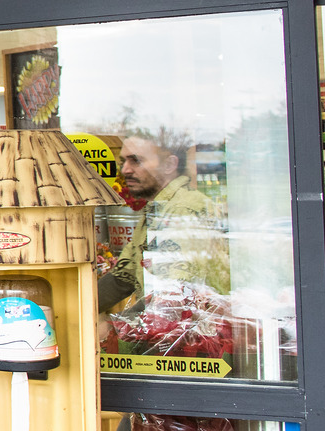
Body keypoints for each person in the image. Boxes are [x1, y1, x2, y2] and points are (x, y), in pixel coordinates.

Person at [97, 130, 228, 313]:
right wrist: (71, 310)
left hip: (193, 333)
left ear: (169, 164)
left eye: (136, 160)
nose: (125, 169)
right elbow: (123, 277)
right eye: (123, 161)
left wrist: (116, 329)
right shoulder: (158, 206)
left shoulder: (183, 210)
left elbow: (171, 297)